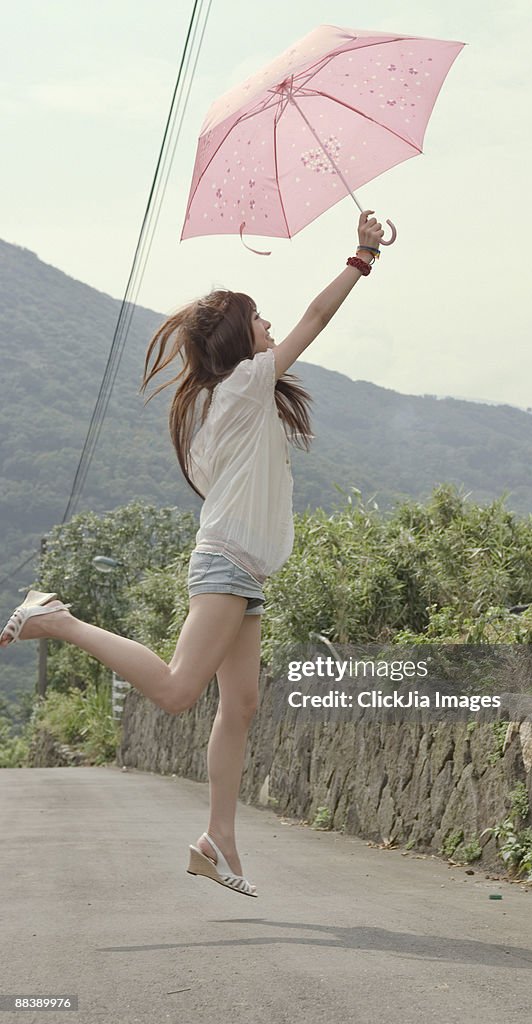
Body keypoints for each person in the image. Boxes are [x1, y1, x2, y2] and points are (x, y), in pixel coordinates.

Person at [0, 211, 385, 897]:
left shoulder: (221, 400)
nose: (268, 327)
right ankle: (55, 618)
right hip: (227, 564)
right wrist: (360, 255)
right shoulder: (241, 386)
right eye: (258, 319)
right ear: (240, 337)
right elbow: (317, 317)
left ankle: (218, 840)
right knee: (180, 691)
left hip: (245, 571)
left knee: (238, 705)